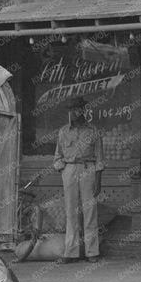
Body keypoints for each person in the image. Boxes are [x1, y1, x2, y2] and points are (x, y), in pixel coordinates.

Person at [52, 95, 104, 263]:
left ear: (84, 110)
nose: (75, 113)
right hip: (70, 170)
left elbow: (100, 159)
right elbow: (57, 157)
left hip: (88, 169)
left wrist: (98, 180)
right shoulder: (62, 132)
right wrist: (64, 170)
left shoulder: (93, 130)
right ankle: (71, 252)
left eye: (78, 109)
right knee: (70, 211)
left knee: (90, 211)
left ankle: (92, 252)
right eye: (72, 110)